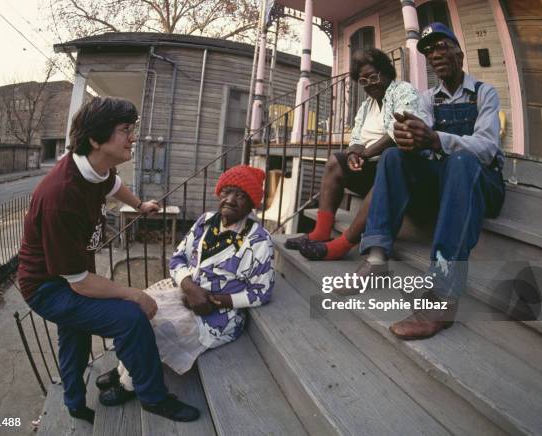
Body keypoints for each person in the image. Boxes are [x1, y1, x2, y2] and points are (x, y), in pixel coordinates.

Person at [17, 97, 199, 423]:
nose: (133, 137)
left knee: (75, 335)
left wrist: (141, 205)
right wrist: (136, 295)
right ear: (96, 139)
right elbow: (82, 284)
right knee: (130, 318)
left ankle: (74, 403)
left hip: (69, 275)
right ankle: (154, 397)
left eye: (133, 129)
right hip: (48, 287)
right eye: (125, 130)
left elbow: (114, 185)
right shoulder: (61, 194)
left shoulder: (96, 167)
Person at [355, 23, 505, 339]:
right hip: (447, 184)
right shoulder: (427, 99)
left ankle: (441, 296)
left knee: (463, 159)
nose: (435, 55)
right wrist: (410, 140)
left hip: (484, 184)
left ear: (458, 53)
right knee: (394, 156)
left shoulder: (484, 93)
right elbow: (423, 145)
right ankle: (377, 255)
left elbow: (488, 148)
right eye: (429, 51)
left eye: (441, 47)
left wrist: (436, 140)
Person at [95, 165, 275, 404]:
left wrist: (214, 300)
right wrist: (190, 288)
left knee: (153, 328)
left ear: (252, 203)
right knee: (135, 314)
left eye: (240, 195)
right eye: (227, 192)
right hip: (185, 293)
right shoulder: (206, 221)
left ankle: (130, 383)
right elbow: (178, 258)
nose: (230, 200)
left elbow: (261, 292)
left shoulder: (259, 241)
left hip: (217, 315)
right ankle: (124, 369)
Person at [284, 48, 427, 261]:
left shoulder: (403, 91)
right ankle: (321, 232)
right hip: (370, 165)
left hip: (398, 168)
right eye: (363, 81)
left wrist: (366, 153)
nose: (370, 84)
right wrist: (353, 154)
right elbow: (356, 139)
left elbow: (399, 131)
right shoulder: (366, 106)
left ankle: (342, 245)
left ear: (386, 72)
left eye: (373, 76)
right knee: (335, 160)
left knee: (387, 166)